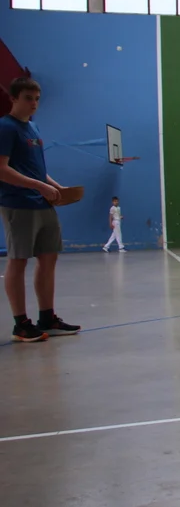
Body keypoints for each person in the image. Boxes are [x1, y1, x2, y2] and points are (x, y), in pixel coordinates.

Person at [0, 77, 80, 342]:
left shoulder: (32, 127)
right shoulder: (5, 127)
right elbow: (2, 169)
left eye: (36, 99)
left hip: (42, 202)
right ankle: (21, 324)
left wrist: (56, 187)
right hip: (18, 203)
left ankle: (47, 318)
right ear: (13, 98)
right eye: (27, 98)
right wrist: (38, 186)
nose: (34, 103)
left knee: (48, 258)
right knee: (19, 260)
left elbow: (36, 169)